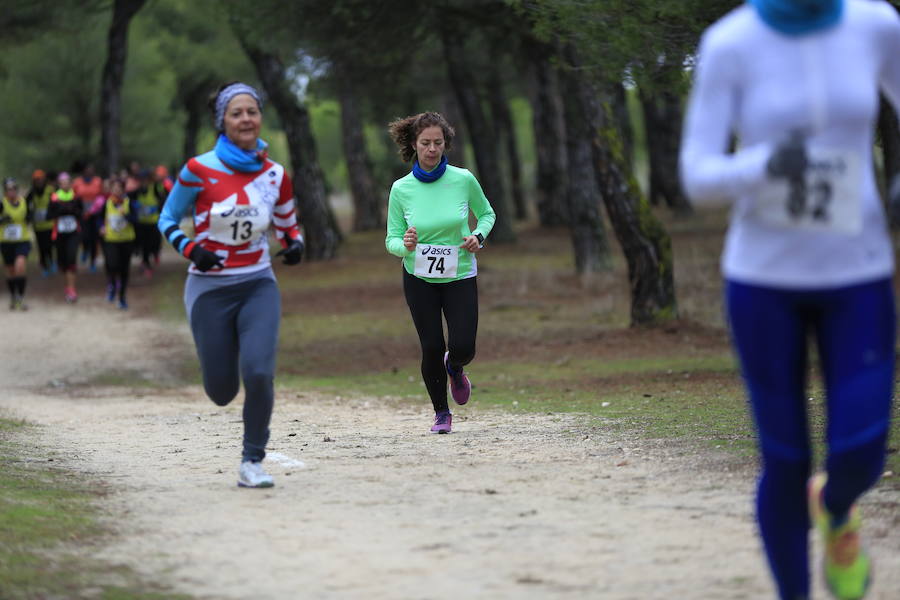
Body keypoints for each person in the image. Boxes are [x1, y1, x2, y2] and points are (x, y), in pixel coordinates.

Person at [679, 1, 900, 598]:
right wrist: (765, 163)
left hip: (858, 274)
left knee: (861, 451)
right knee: (785, 459)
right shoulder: (730, 42)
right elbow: (697, 176)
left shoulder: (876, 24)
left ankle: (834, 505)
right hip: (763, 280)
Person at [158, 81, 304, 488]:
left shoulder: (276, 175)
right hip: (209, 289)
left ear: (260, 118)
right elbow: (167, 219)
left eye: (252, 111)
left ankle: (252, 461)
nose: (246, 119)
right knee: (221, 391)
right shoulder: (198, 170)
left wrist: (294, 245)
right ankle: (220, 354)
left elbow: (288, 225)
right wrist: (192, 250)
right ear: (222, 121)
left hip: (258, 284)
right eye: (236, 113)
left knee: (258, 372)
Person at [385, 112, 495, 434]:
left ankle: (455, 366)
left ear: (445, 143)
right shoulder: (401, 189)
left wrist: (478, 236)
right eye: (425, 143)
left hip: (460, 273)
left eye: (438, 142)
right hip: (419, 277)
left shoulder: (463, 180)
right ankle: (441, 413)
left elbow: (487, 214)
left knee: (464, 346)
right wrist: (404, 245)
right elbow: (392, 238)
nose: (432, 149)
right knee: (431, 345)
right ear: (414, 145)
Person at [101, 178, 139, 310]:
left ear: (123, 190)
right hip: (111, 240)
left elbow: (136, 220)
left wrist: (126, 215)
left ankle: (122, 297)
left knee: (124, 270)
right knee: (112, 265)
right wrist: (101, 227)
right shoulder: (106, 203)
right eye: (114, 188)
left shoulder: (130, 203)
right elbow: (99, 219)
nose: (117, 190)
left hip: (126, 241)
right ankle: (111, 285)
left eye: (119, 188)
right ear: (111, 189)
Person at [48, 172, 82, 303]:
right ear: (59, 184)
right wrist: (60, 211)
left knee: (71, 259)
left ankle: (72, 288)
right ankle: (67, 285)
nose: (66, 184)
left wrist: (73, 211)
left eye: (68, 182)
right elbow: (49, 215)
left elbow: (81, 213)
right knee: (63, 263)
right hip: (60, 234)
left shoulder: (76, 197)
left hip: (73, 233)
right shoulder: (54, 198)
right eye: (63, 182)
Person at [0, 178, 32, 310]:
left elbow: (31, 216)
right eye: (9, 189)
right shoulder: (2, 204)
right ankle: (13, 296)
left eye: (14, 189)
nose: (12, 192)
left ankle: (21, 296)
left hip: (22, 240)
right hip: (6, 242)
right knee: (11, 270)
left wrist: (30, 218)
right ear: (5, 191)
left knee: (20, 266)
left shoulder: (24, 202)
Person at [130, 168, 166, 277]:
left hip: (153, 222)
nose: (144, 182)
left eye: (146, 179)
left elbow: (163, 200)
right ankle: (146, 264)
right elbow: (129, 201)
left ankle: (153, 255)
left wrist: (155, 208)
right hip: (141, 223)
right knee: (143, 245)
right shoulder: (136, 191)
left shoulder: (155, 188)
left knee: (153, 243)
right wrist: (135, 206)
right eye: (142, 180)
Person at [73, 163, 104, 272]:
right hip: (82, 213)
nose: (89, 172)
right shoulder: (77, 182)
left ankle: (92, 261)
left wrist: (95, 208)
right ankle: (85, 249)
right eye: (87, 170)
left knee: (94, 238)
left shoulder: (98, 181)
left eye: (91, 170)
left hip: (95, 214)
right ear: (83, 171)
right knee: (84, 236)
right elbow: (74, 197)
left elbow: (101, 196)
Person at [25, 169, 55, 276]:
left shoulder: (50, 190)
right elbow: (25, 205)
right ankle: (44, 266)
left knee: (49, 245)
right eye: (37, 180)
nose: (39, 181)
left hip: (50, 223)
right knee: (41, 246)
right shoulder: (32, 192)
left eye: (41, 179)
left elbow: (56, 203)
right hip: (37, 225)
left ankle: (51, 262)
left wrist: (52, 213)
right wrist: (29, 215)